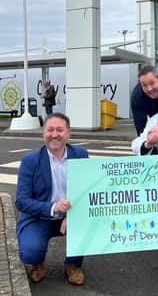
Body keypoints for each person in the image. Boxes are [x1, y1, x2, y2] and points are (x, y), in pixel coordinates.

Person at [16, 112, 88, 285]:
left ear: (68, 133)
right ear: (44, 133)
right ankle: (37, 262)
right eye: (50, 130)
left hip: (71, 214)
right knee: (30, 251)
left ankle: (72, 264)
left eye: (59, 130)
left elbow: (87, 190)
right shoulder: (30, 161)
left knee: (88, 224)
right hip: (40, 216)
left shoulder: (80, 154)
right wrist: (53, 207)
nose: (54, 134)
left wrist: (73, 215)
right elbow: (21, 201)